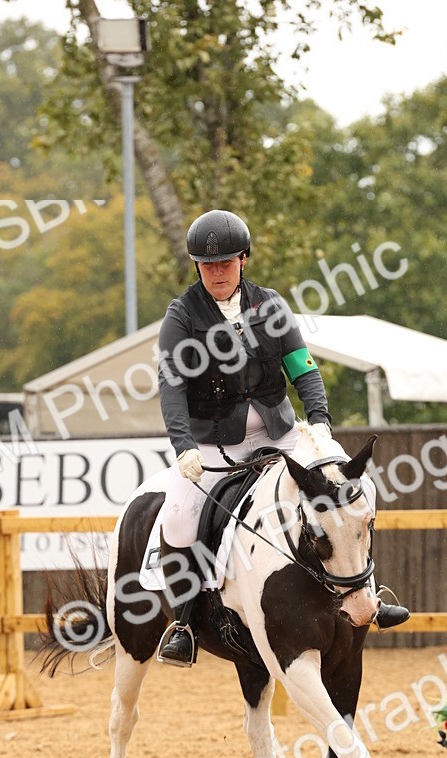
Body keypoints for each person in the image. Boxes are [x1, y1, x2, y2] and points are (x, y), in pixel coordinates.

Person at [156, 208, 410, 666]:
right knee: (177, 519)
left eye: (226, 263)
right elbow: (171, 387)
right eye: (208, 265)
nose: (217, 273)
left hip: (281, 434)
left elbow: (302, 367)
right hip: (216, 444)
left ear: (243, 260)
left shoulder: (270, 306)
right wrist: (183, 446)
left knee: (356, 489)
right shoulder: (182, 315)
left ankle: (369, 595)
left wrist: (320, 420)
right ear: (197, 266)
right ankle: (185, 624)